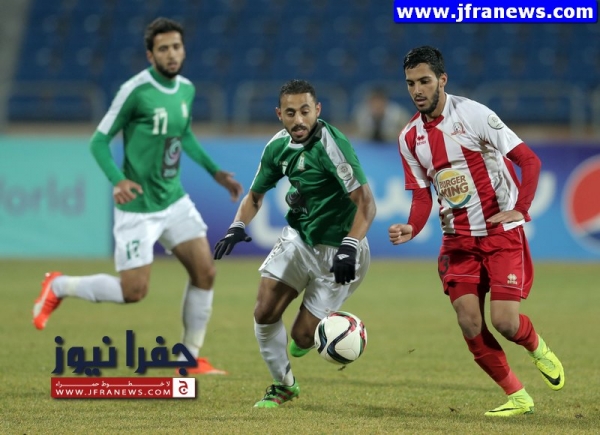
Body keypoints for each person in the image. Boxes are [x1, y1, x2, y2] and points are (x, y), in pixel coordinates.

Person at [32, 17, 243, 375]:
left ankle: (189, 358)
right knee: (133, 292)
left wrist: (214, 171)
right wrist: (117, 180)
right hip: (138, 206)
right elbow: (99, 141)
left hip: (173, 199)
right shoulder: (135, 90)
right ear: (150, 55)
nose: (172, 54)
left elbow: (184, 134)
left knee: (205, 272)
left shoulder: (186, 89)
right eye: (163, 49)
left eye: (176, 47)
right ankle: (60, 285)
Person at [388, 46, 564, 417]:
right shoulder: (409, 137)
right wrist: (412, 226)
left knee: (505, 322)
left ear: (442, 80)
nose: (417, 90)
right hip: (457, 240)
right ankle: (517, 395)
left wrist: (521, 208)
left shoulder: (474, 114)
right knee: (469, 321)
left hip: (499, 235)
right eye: (410, 83)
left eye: (424, 81)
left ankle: (537, 348)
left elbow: (529, 160)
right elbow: (421, 195)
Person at [213, 79, 376, 408]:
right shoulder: (277, 147)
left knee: (302, 337)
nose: (299, 120)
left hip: (340, 251)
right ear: (279, 114)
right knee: (264, 311)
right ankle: (283, 385)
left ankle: (324, 332)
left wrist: (349, 245)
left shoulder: (332, 145)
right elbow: (255, 196)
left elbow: (366, 204)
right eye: (290, 113)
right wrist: (237, 225)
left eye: (305, 111)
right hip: (299, 239)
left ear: (317, 110)